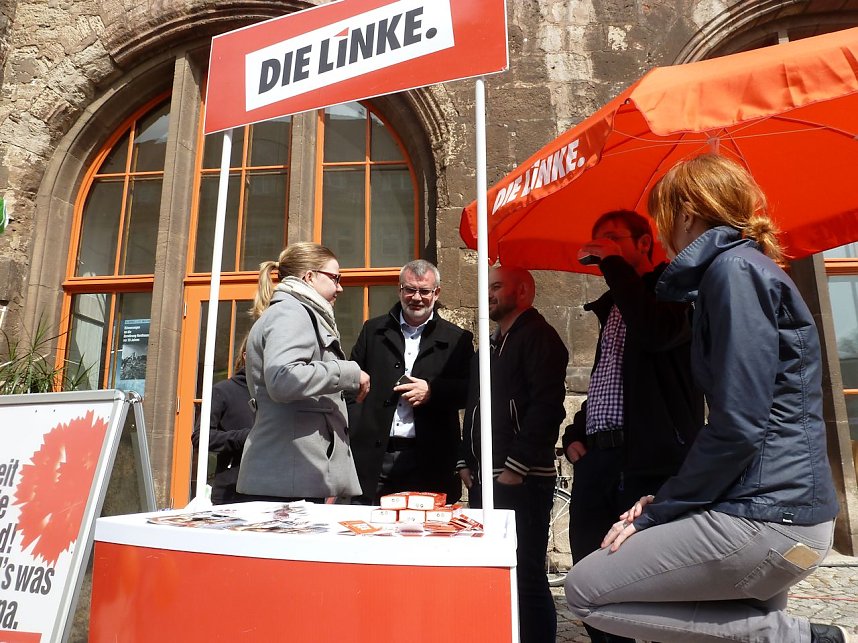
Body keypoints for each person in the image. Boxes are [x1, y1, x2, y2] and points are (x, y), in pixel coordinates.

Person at [565, 153, 844, 643]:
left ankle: (800, 638)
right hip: (767, 498)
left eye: (663, 215)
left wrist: (664, 506)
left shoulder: (733, 272)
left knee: (586, 590)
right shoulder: (740, 269)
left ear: (687, 212)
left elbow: (740, 420)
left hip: (771, 509)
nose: (664, 229)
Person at [560, 210, 704, 643]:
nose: (602, 246)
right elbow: (607, 379)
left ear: (645, 243)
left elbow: (658, 333)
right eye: (597, 240)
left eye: (613, 238)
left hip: (648, 461)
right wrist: (576, 433)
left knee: (650, 582)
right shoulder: (617, 307)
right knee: (588, 573)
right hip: (599, 460)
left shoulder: (673, 292)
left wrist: (614, 266)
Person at [458, 265, 569, 643]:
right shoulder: (489, 347)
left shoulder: (541, 338)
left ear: (522, 291)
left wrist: (516, 467)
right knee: (492, 572)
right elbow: (475, 406)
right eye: (487, 287)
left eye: (497, 287)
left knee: (527, 576)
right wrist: (464, 458)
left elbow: (547, 408)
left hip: (520, 478)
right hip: (483, 477)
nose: (488, 294)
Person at [236, 242, 370, 503]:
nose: (340, 288)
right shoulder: (292, 312)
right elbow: (283, 379)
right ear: (309, 276)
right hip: (289, 477)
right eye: (335, 278)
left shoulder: (296, 312)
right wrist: (348, 371)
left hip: (293, 473)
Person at [349, 259, 474, 504]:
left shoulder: (456, 339)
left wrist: (432, 391)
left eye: (424, 291)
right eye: (410, 289)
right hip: (376, 458)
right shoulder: (373, 331)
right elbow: (351, 385)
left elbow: (471, 391)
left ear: (436, 293)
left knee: (425, 537)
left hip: (428, 459)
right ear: (400, 290)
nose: (416, 298)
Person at [191, 335, 254, 505]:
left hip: (273, 490)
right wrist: (243, 437)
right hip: (232, 492)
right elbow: (200, 436)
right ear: (246, 356)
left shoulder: (277, 395)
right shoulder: (223, 391)